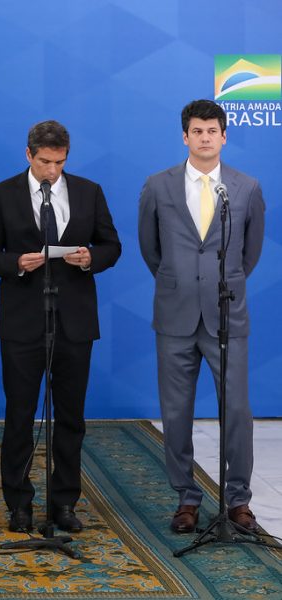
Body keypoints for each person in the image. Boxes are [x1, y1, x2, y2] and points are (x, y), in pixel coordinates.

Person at [0, 121, 120, 533]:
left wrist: (91, 258)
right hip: (22, 323)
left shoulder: (89, 191)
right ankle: (19, 503)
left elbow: (112, 245)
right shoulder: (2, 193)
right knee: (20, 415)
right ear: (28, 155)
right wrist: (15, 263)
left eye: (59, 162)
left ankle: (64, 503)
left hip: (74, 323)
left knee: (71, 418)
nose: (52, 170)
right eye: (44, 162)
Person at [138, 100, 265, 534]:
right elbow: (150, 249)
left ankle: (238, 501)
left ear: (224, 136)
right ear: (185, 136)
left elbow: (249, 255)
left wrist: (216, 283)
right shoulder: (158, 186)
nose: (205, 137)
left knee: (238, 411)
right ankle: (186, 499)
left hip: (228, 316)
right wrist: (181, 284)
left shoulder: (246, 188)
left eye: (213, 130)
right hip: (174, 316)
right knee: (176, 414)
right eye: (197, 130)